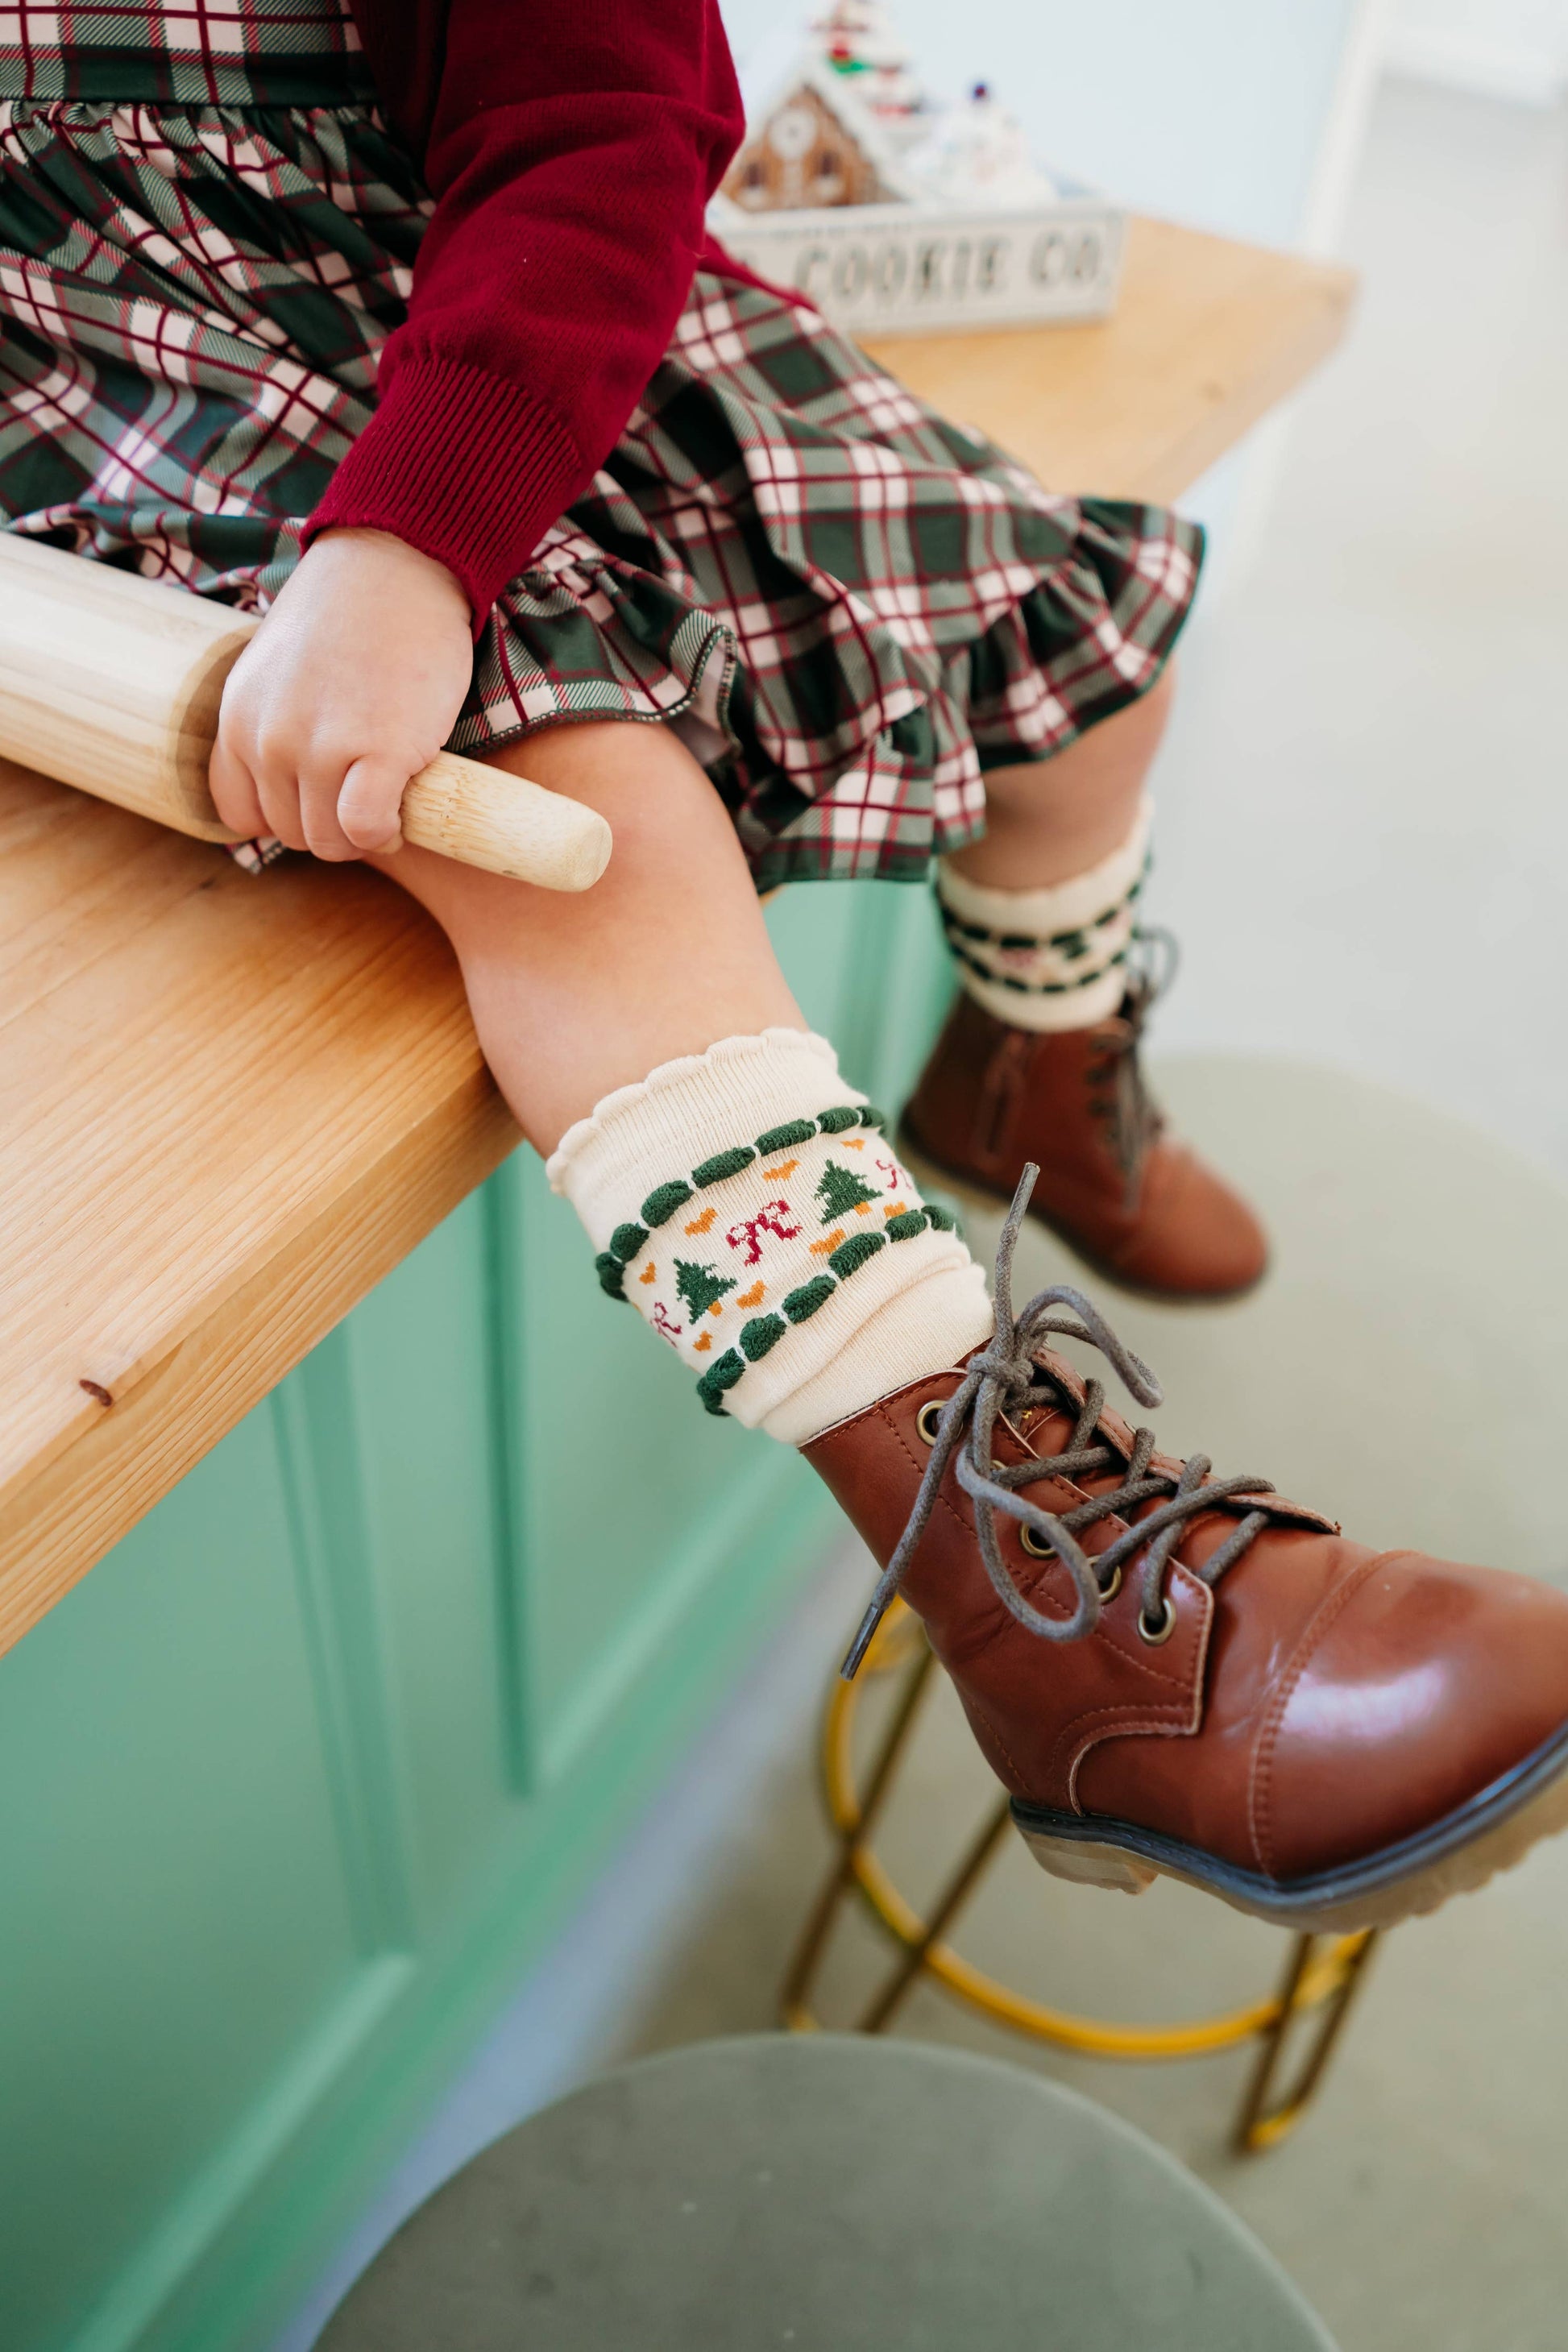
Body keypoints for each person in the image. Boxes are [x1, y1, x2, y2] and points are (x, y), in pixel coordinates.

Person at [6, 0, 1567, 1930]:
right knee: (583, 819)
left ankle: (1034, 1074)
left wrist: (423, 531)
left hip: (500, 288)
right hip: (135, 394)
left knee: (1074, 656)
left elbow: (603, 106)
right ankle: (1068, 1628)